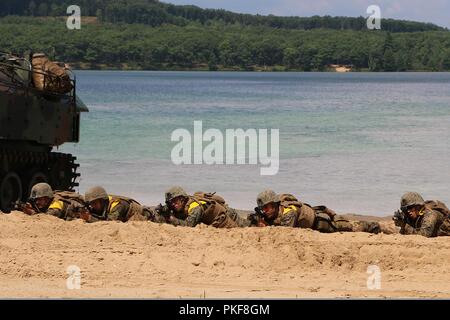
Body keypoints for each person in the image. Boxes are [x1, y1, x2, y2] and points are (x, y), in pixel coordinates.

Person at [252, 190, 381, 234]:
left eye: (267, 207)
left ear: (275, 204)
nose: (265, 211)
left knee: (349, 227)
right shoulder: (275, 211)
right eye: (263, 208)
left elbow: (286, 232)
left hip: (320, 224)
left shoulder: (288, 212)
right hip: (314, 216)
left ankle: (373, 226)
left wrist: (266, 226)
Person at [156, 186, 250, 228]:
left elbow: (188, 225)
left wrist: (171, 218)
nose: (173, 204)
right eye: (170, 202)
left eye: (175, 201)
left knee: (249, 225)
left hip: (228, 215)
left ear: (182, 199)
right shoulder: (184, 204)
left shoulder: (194, 207)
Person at [83, 186, 154, 222]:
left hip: (150, 216)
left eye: (94, 203)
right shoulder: (105, 204)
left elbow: (110, 222)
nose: (92, 206)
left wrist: (90, 218)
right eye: (91, 204)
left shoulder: (117, 205)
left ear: (102, 201)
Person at [18, 183, 85, 220]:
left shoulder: (56, 205)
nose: (37, 202)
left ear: (47, 198)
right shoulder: (48, 203)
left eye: (39, 199)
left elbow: (47, 219)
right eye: (35, 200)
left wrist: (31, 212)